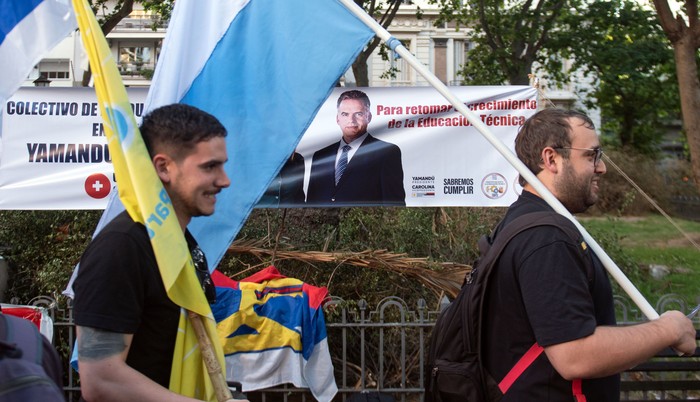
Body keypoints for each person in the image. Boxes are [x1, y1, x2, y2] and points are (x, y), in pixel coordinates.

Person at [482, 108, 696, 401]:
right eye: (591, 155)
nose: (602, 167)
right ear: (551, 159)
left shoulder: (525, 221)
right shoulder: (546, 239)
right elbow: (574, 354)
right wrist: (667, 330)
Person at [72, 104, 242, 402]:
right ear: (164, 167)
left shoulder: (178, 242)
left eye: (223, 165)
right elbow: (100, 379)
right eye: (209, 166)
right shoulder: (121, 248)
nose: (224, 180)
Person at [306, 89, 405, 206]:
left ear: (369, 117)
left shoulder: (387, 153)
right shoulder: (320, 156)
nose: (351, 120)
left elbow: (393, 204)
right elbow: (310, 203)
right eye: (345, 114)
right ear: (337, 119)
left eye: (358, 114)